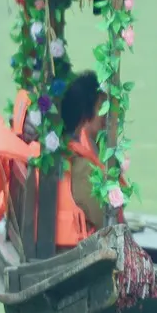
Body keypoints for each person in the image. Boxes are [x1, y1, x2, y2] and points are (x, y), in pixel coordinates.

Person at [60, 71, 106, 230]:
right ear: (85, 115)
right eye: (100, 107)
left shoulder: (60, 150)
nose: (105, 116)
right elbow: (105, 220)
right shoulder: (82, 167)